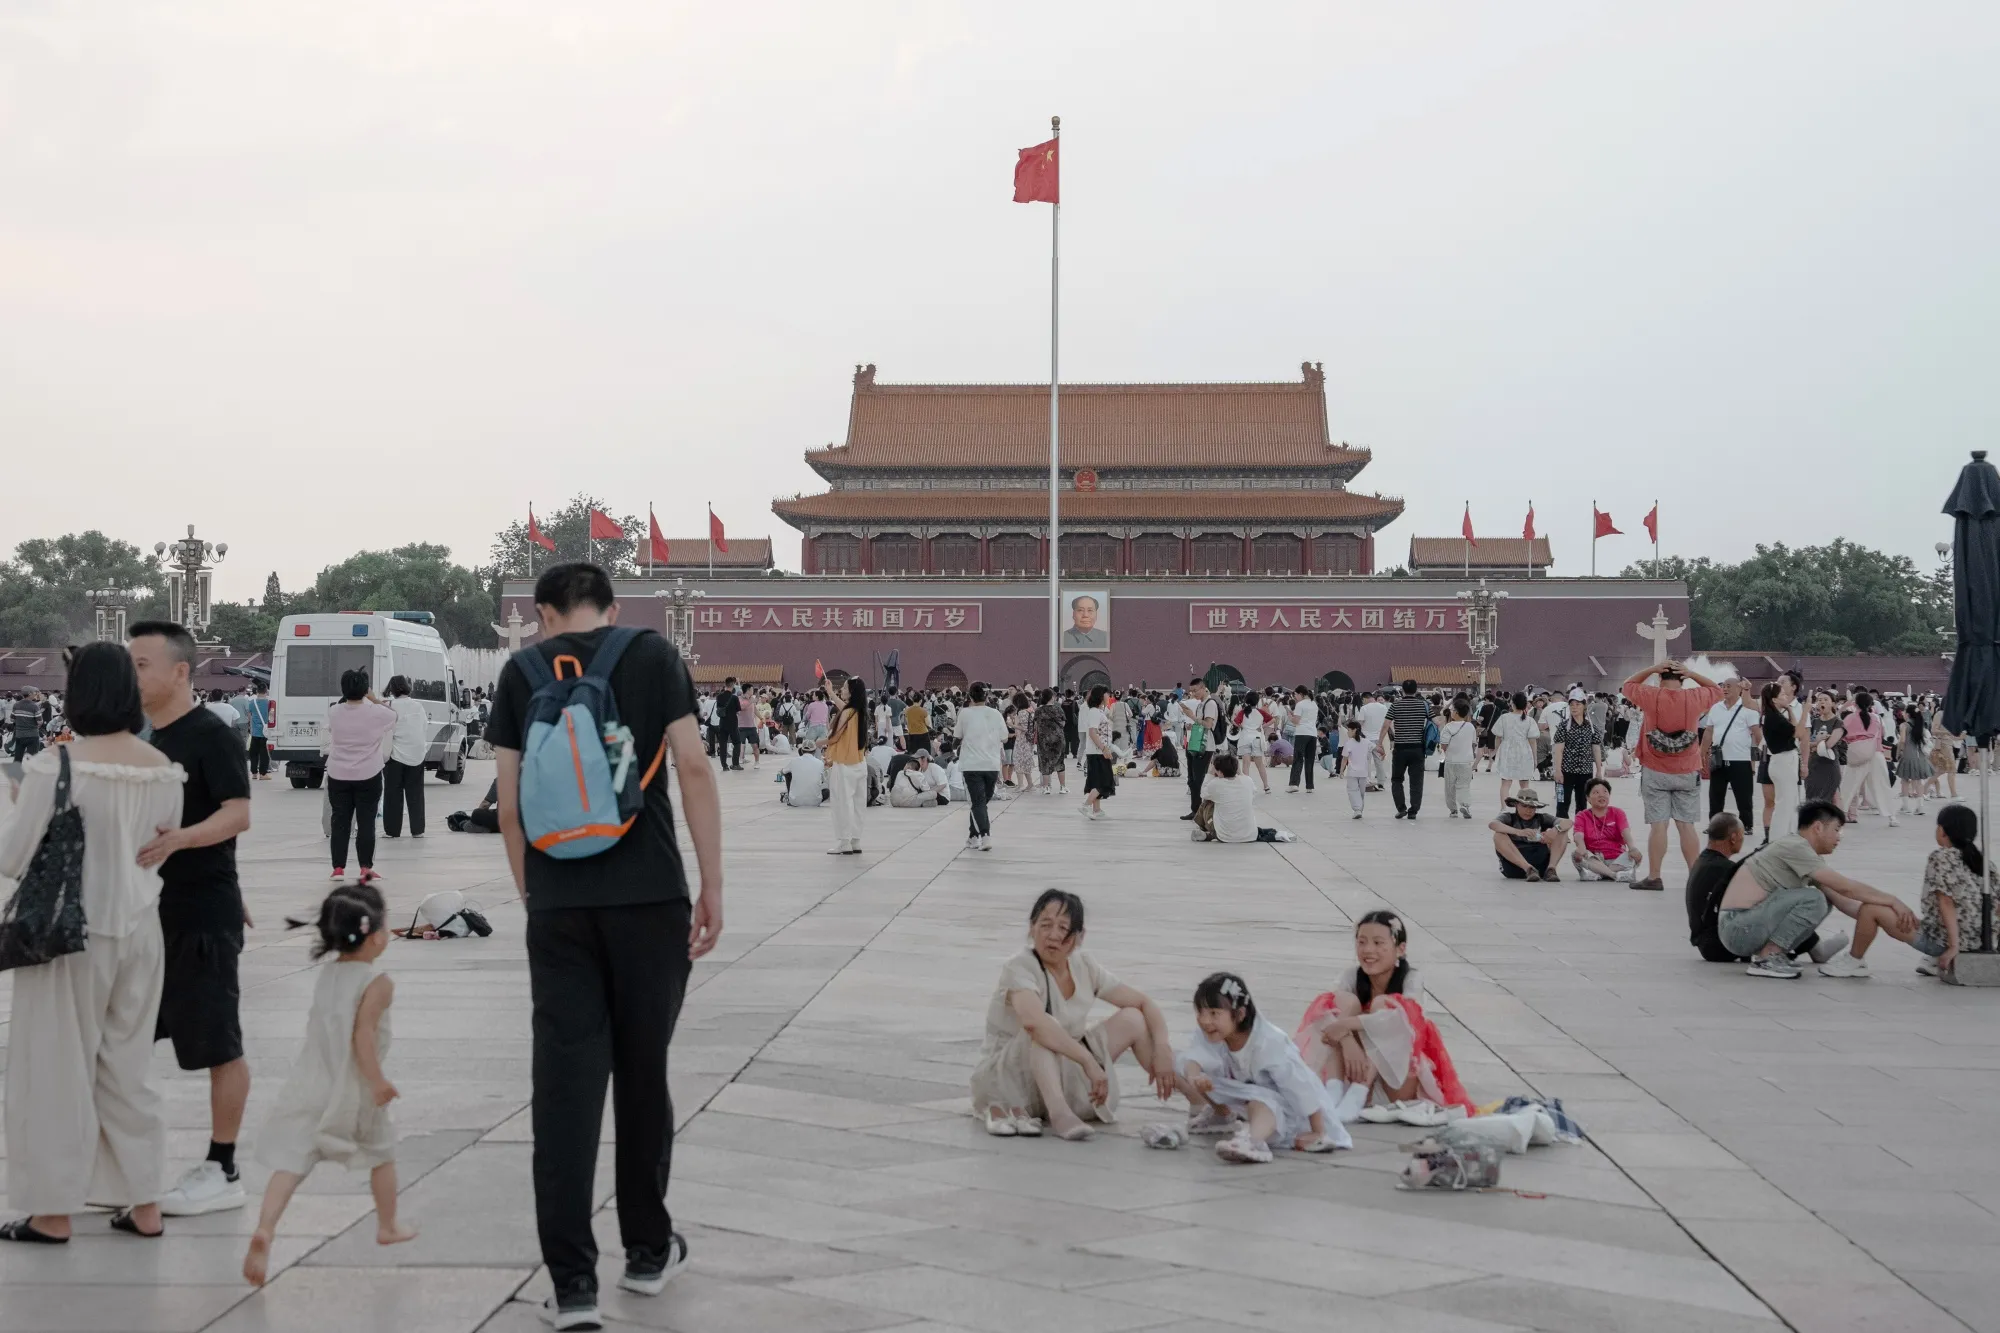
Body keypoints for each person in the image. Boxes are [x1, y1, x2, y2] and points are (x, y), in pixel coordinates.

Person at [486, 564, 722, 1327]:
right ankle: (649, 1252)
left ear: (542, 612)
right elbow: (692, 766)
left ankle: (573, 1285)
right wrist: (711, 881)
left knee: (565, 1089)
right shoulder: (652, 655)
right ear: (612, 606)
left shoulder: (520, 672)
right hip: (651, 895)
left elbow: (511, 807)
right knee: (642, 1073)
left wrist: (534, 896)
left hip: (559, 906)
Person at [0, 643, 183, 1244]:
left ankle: (52, 1211)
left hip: (69, 936)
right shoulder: (162, 767)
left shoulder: (57, 767)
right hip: (141, 929)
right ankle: (144, 1201)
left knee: (54, 1066)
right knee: (129, 1069)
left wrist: (10, 803)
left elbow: (11, 858)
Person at [127, 622, 255, 1219]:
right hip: (143, 915)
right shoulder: (140, 737)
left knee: (217, 1044)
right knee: (121, 1039)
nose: (133, 674)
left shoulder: (211, 734)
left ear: (180, 671)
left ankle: (222, 1167)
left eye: (142, 663)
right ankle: (119, 1162)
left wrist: (180, 841)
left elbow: (237, 814)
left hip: (200, 913)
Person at [243, 883, 415, 1286]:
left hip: (311, 1082)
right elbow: (363, 1037)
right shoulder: (378, 983)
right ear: (375, 936)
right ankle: (388, 1225)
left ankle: (266, 1227)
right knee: (381, 1154)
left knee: (292, 1162)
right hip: (353, 1089)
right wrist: (377, 1082)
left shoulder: (329, 974)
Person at [970, 891, 1177, 1141]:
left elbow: (1144, 1002)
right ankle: (1060, 1114)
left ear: (1079, 937)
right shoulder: (1020, 966)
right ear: (1031, 928)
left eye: (1063, 928)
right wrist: (1088, 1062)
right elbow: (1034, 1022)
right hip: (1009, 1080)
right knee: (1046, 1029)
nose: (1053, 935)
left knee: (1133, 1017)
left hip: (1057, 1071)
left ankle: (1196, 1098)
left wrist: (1163, 1048)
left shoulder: (1084, 965)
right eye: (1045, 925)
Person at [1295, 911, 1472, 1118]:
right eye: (1362, 942)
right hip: (1353, 1068)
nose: (1368, 950)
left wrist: (1347, 1025)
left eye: (1378, 943)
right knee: (1341, 1001)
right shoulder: (1352, 976)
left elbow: (1402, 1021)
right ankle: (1334, 1091)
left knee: (1386, 1005)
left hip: (1397, 1078)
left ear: (1400, 949)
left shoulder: (1411, 978)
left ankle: (1359, 1093)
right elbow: (1326, 1019)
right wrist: (1347, 1039)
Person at [1717, 800, 1910, 979]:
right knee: (1814, 898)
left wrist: (1884, 917)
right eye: (1837, 830)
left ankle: (1772, 954)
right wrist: (1892, 900)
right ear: (1818, 827)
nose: (1839, 838)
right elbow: (1846, 887)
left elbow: (1845, 900)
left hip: (1745, 926)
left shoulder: (1805, 855)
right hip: (1737, 927)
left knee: (1823, 899)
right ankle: (1769, 957)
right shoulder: (1795, 847)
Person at [1179, 972, 1349, 1164]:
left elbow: (1300, 1086)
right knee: (1183, 1066)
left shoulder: (1270, 1043)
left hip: (1291, 1110)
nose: (1204, 1020)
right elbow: (1195, 1056)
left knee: (1259, 1100)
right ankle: (1221, 1115)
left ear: (1240, 1014)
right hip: (1249, 1095)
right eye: (1200, 1012)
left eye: (1214, 1014)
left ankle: (1254, 1141)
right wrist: (1195, 1078)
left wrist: (1317, 1131)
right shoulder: (1213, 1032)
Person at [1621, 660, 1724, 892]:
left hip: (1656, 768)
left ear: (1660, 678)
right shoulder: (1694, 697)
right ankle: (1695, 878)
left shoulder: (1650, 695)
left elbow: (1627, 685)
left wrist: (1650, 667)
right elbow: (1717, 690)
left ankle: (1655, 876)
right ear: (1682, 679)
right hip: (1687, 769)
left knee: (1659, 826)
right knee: (1686, 826)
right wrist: (1692, 673)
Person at [321, 670, 396, 885]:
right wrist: (373, 698)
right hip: (369, 774)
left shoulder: (334, 711)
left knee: (340, 821)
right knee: (366, 822)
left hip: (338, 774)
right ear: (366, 689)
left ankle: (338, 868)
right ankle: (365, 867)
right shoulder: (376, 712)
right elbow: (393, 716)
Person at [1914, 804, 1984, 980]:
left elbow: (1946, 901)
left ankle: (1855, 960)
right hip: (1982, 940)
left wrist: (1954, 945)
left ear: (1942, 830)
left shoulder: (1940, 857)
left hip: (1949, 940)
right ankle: (1934, 957)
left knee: (1875, 912)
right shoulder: (1983, 862)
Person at [1701, 677, 1760, 835]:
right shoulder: (1716, 708)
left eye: (1729, 686)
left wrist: (1758, 754)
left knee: (1744, 794)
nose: (1725, 689)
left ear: (1739, 688)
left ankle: (1747, 824)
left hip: (1741, 759)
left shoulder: (1747, 708)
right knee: (1715, 794)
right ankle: (1714, 824)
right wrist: (1703, 751)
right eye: (1723, 686)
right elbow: (1709, 731)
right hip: (1719, 758)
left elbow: (1756, 732)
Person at [954, 683, 1005, 850]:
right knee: (980, 802)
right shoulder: (996, 714)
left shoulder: (965, 713)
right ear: (987, 696)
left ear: (970, 696)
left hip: (972, 764)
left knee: (978, 803)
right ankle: (978, 835)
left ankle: (981, 836)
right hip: (991, 764)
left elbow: (957, 736)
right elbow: (1004, 737)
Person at [1194, 754, 1289, 843]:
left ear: (1221, 772)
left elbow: (1203, 793)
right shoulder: (1247, 781)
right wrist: (1240, 773)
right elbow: (1253, 791)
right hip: (1250, 835)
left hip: (1225, 836)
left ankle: (1207, 830)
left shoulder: (1216, 784)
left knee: (1208, 802)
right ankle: (1210, 835)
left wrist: (1210, 773)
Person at [380, 675, 429, 841]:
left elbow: (385, 729)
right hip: (416, 755)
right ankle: (418, 829)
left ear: (392, 689)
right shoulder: (418, 706)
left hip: (396, 755)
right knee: (415, 793)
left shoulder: (390, 706)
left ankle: (392, 830)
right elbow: (424, 727)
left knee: (393, 794)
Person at [1837, 691, 1896, 826]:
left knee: (1848, 787)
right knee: (1882, 786)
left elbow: (1841, 731)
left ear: (1855, 703)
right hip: (1876, 753)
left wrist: (1845, 705)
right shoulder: (1876, 718)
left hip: (1857, 754)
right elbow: (1883, 735)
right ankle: (1892, 817)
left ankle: (1840, 814)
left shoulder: (1849, 718)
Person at [1759, 676, 1805, 845]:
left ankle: (1787, 834)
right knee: (1784, 803)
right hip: (1782, 761)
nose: (1786, 697)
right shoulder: (1773, 718)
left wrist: (1791, 710)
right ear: (1774, 699)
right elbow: (1798, 732)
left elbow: (1793, 728)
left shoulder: (1777, 715)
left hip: (1785, 760)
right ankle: (1777, 838)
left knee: (1791, 800)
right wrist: (1805, 710)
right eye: (1783, 695)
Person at [1570, 779, 1644, 883]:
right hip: (1594, 858)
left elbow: (1625, 832)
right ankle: (1614, 875)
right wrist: (1581, 848)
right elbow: (1578, 835)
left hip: (1616, 860)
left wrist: (1632, 848)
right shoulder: (1582, 815)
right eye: (1596, 792)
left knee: (1633, 856)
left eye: (1605, 792)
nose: (1601, 795)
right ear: (1588, 798)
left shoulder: (1617, 813)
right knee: (1576, 854)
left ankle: (1598, 873)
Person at [1490, 790, 1570, 882]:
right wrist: (1518, 832)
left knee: (1562, 832)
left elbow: (1568, 822)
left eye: (1532, 807)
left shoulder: (1542, 818)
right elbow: (1493, 824)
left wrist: (1555, 830)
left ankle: (1551, 869)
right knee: (1498, 835)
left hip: (1541, 864)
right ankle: (1528, 868)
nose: (1528, 810)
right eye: (1524, 806)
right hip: (1514, 865)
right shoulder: (1508, 817)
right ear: (1516, 805)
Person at [1381, 679, 1432, 820]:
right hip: (1417, 748)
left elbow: (1386, 725)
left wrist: (1380, 743)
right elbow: (1436, 722)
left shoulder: (1395, 705)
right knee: (1416, 781)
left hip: (1400, 748)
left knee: (1397, 779)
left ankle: (1401, 808)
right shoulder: (1424, 705)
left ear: (1402, 690)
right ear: (1416, 690)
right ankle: (1413, 810)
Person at [1550, 694, 1603, 819]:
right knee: (1562, 803)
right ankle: (1562, 835)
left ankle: (1579, 833)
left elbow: (1596, 749)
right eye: (1571, 705)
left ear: (1584, 706)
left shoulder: (1591, 728)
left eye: (1578, 704)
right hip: (1565, 771)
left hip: (1585, 772)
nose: (1574, 708)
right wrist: (1557, 770)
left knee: (1582, 804)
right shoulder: (1563, 727)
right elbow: (1558, 750)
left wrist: (1599, 771)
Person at [1177, 680, 1221, 819]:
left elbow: (1208, 724)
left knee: (1198, 779)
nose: (1193, 693)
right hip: (1195, 743)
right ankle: (1195, 809)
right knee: (1192, 779)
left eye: (1195, 690)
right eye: (1191, 691)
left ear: (1203, 688)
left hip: (1205, 746)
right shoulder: (1201, 704)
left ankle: (1199, 811)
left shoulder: (1210, 704)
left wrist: (1192, 716)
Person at [1491, 692, 1539, 806]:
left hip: (1507, 751)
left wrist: (1496, 751)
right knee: (1524, 784)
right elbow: (1533, 741)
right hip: (1524, 752)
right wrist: (1535, 758)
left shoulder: (1504, 718)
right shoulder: (1529, 720)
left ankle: (1504, 809)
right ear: (1525, 705)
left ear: (1512, 704)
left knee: (1505, 783)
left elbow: (1498, 737)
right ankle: (1525, 808)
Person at [1078, 685, 1117, 820]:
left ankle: (1097, 810)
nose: (1109, 697)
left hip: (1099, 751)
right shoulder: (1094, 712)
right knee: (1104, 781)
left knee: (1097, 781)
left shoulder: (1099, 711)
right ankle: (1086, 805)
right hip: (1097, 752)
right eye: (1107, 694)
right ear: (1101, 696)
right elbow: (1092, 732)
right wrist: (1104, 748)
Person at [1437, 698, 1477, 819]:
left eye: (1452, 709)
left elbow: (1444, 745)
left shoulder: (1448, 727)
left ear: (1456, 712)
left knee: (1450, 787)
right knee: (1464, 785)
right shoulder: (1470, 727)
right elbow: (1473, 743)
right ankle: (1465, 805)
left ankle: (1453, 810)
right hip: (1465, 762)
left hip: (1450, 761)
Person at [1897, 704, 1934, 817]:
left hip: (1908, 755)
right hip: (1920, 756)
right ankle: (1920, 807)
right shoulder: (1920, 726)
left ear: (1907, 714)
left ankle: (1906, 806)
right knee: (1918, 782)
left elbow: (1902, 740)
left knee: (1905, 780)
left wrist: (1899, 752)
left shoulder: (1904, 725)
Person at [1032, 689, 1068, 796]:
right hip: (1058, 739)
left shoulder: (1038, 710)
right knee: (1060, 762)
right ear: (1052, 697)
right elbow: (1063, 723)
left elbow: (1036, 725)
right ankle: (1062, 787)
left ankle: (1046, 787)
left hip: (1044, 739)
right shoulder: (1058, 709)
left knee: (1045, 762)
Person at [1285, 684, 1319, 793]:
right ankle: (1309, 786)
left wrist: (1290, 716)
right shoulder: (1314, 704)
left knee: (1298, 759)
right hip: (1312, 734)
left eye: (1295, 695)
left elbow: (1296, 721)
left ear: (1300, 694)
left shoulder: (1300, 705)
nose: (1295, 697)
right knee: (1309, 760)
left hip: (1301, 733)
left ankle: (1294, 784)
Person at [1356, 690, 1390, 791]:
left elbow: (1360, 723)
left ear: (1365, 698)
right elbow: (1386, 723)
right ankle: (1381, 782)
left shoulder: (1364, 708)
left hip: (1366, 738)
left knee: (1366, 761)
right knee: (1378, 761)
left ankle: (1367, 781)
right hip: (1378, 738)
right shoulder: (1383, 707)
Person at [1339, 719, 1372, 818]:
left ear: (1354, 730)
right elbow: (1375, 748)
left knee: (1353, 791)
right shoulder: (1366, 741)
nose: (1348, 732)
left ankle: (1357, 810)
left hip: (1352, 772)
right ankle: (1359, 810)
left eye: (1349, 730)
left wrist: (1341, 771)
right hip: (1363, 773)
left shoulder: (1349, 743)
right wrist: (1382, 752)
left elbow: (1344, 759)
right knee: (1361, 793)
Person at [244, 680, 274, 781]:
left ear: (257, 691)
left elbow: (249, 716)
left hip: (255, 732)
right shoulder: (269, 702)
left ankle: (254, 773)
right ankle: (263, 774)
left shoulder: (252, 702)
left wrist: (250, 727)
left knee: (253, 753)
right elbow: (272, 715)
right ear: (266, 691)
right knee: (264, 754)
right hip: (266, 732)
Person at [779, 742, 826, 807]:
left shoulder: (794, 761)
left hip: (795, 801)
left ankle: (790, 797)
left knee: (788, 773)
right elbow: (824, 780)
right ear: (814, 751)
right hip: (814, 802)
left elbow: (782, 772)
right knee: (826, 791)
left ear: (801, 750)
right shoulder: (820, 763)